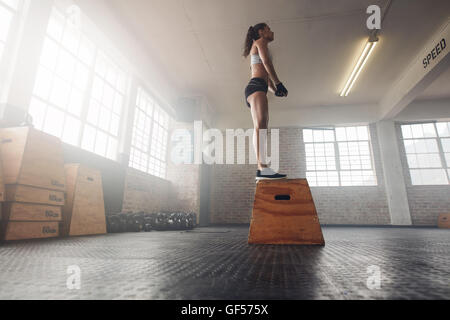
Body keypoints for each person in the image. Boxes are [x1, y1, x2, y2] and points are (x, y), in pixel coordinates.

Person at [243, 23, 288, 181]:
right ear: (261, 32)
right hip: (255, 87)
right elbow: (267, 65)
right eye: (268, 28)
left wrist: (275, 90)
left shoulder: (261, 46)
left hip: (259, 87)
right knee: (260, 127)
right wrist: (279, 83)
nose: (272, 31)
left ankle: (262, 168)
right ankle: (262, 168)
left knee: (262, 127)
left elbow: (265, 77)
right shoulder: (260, 42)